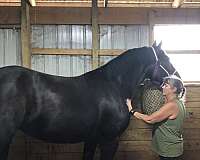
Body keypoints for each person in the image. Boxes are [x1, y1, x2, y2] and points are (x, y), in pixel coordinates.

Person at [126, 75, 186, 160]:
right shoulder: (178, 103)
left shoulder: (171, 105)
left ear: (174, 89)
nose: (162, 87)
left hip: (169, 150)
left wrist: (131, 110)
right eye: (163, 84)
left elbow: (150, 119)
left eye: (166, 85)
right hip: (171, 148)